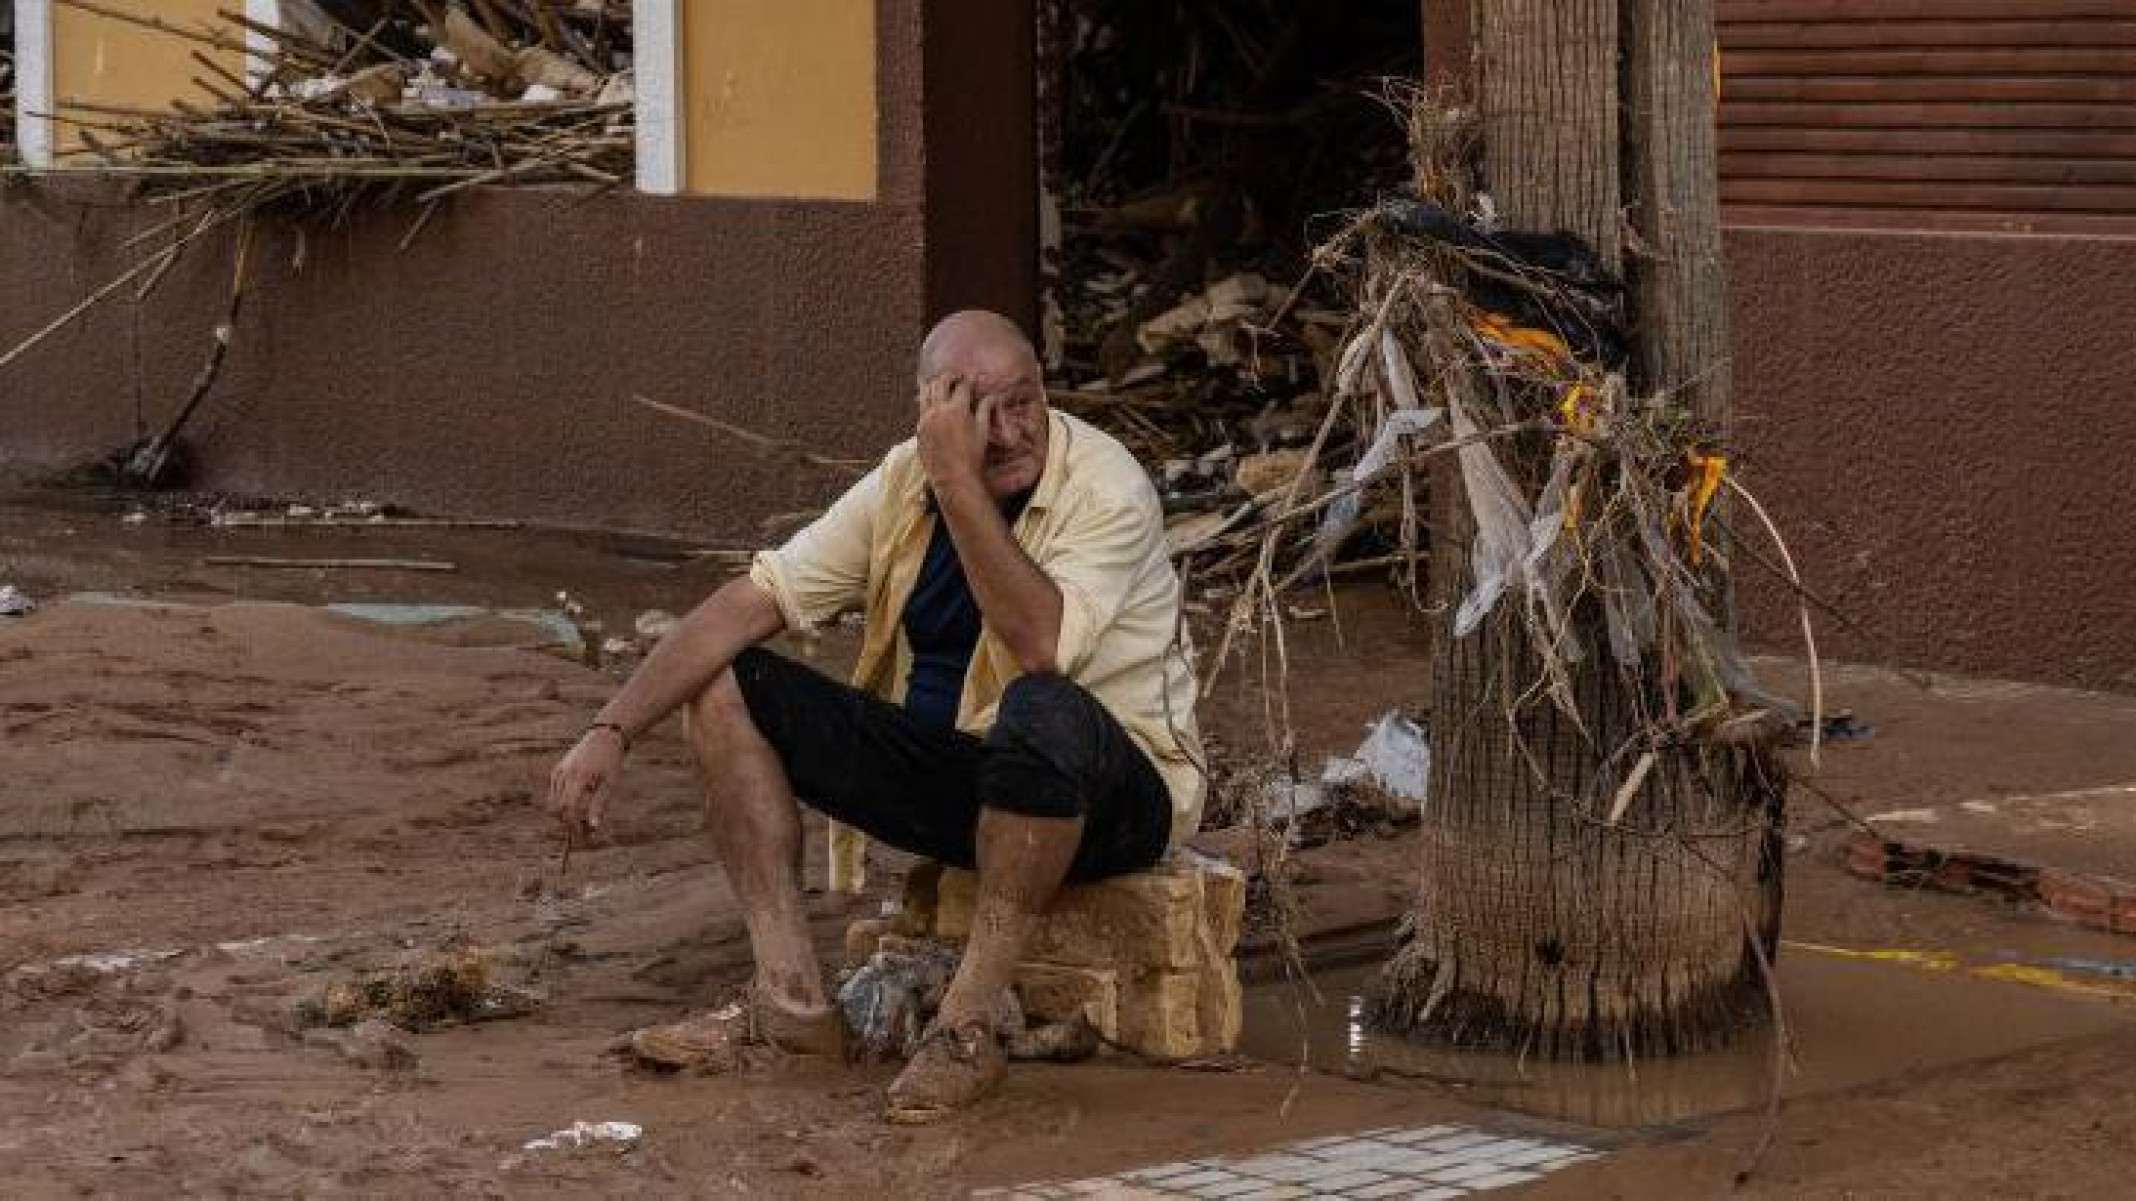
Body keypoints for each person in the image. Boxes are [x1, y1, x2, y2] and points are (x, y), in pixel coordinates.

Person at [547, 310, 1202, 1121]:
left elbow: (1041, 644)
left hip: (1112, 795)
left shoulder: (1104, 484)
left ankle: (966, 1028)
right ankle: (789, 1010)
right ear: (932, 413)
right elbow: (751, 601)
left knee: (1042, 706)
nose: (1005, 432)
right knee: (723, 681)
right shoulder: (903, 479)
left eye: (1024, 403)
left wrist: (960, 483)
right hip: (973, 774)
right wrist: (612, 729)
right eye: (975, 411)